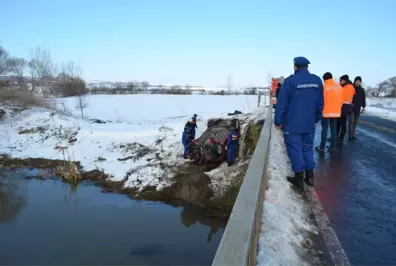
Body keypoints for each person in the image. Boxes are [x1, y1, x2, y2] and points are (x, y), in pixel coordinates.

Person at [274, 57, 324, 188]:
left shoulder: (290, 81)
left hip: (292, 123)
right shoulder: (317, 81)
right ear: (307, 67)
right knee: (308, 148)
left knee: (295, 149)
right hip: (309, 123)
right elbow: (320, 103)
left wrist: (278, 120)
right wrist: (316, 118)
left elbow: (282, 103)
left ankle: (299, 179)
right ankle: (310, 177)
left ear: (295, 66)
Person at [315, 72, 343, 153]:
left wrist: (319, 110)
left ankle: (322, 147)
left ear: (325, 79)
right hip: (336, 112)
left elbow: (322, 100)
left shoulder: (325, 87)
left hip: (326, 112)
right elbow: (341, 100)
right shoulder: (339, 87)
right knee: (334, 130)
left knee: (324, 130)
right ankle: (333, 147)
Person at [337, 75, 356, 143]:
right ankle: (340, 138)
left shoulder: (344, 87)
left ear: (345, 80)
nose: (340, 82)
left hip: (344, 106)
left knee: (341, 123)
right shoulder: (351, 87)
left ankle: (340, 138)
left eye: (341, 80)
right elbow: (353, 94)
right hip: (347, 107)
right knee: (342, 123)